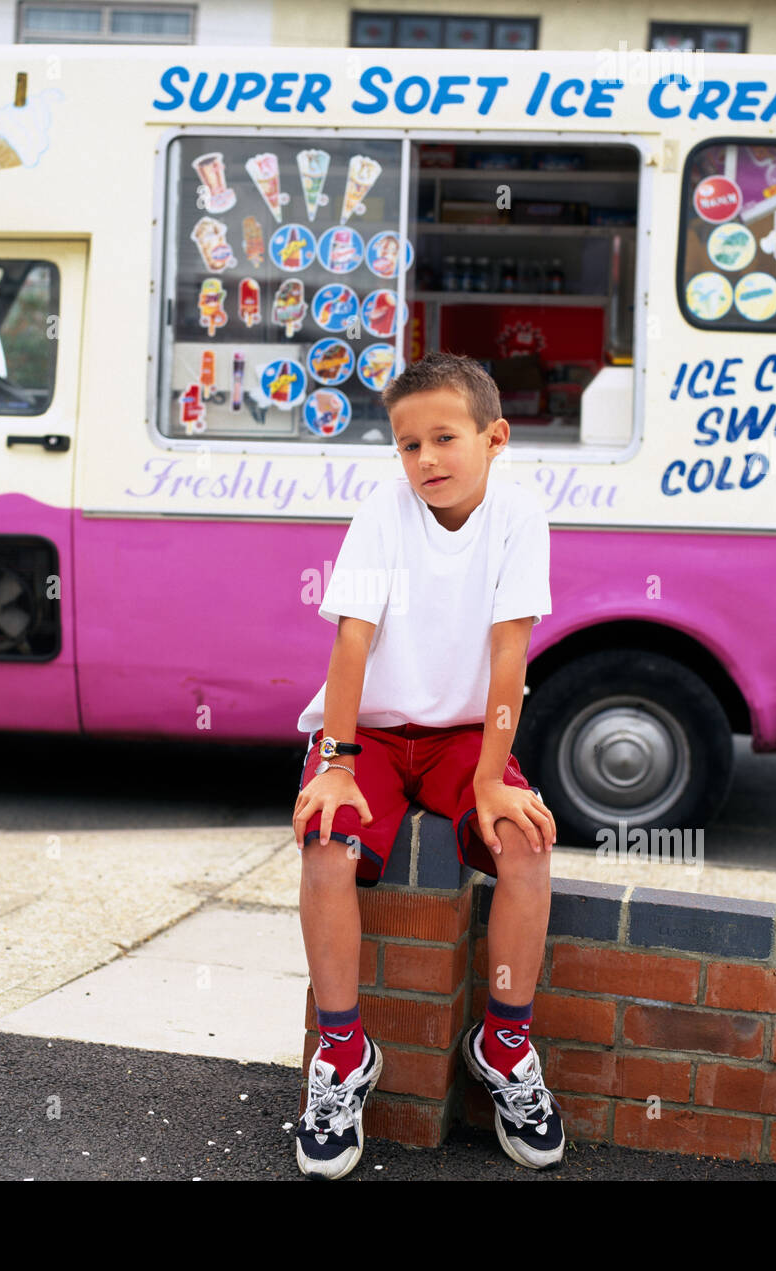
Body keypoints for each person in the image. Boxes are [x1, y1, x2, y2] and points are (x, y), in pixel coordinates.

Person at [291, 351, 561, 1180]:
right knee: (326, 838)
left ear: (495, 437)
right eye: (408, 445)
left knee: (525, 843)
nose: (426, 460)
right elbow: (353, 640)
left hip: (464, 736)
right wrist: (335, 760)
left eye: (444, 438)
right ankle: (342, 1057)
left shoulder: (522, 514)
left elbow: (509, 653)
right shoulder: (382, 511)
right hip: (369, 733)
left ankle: (505, 1042)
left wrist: (492, 775)